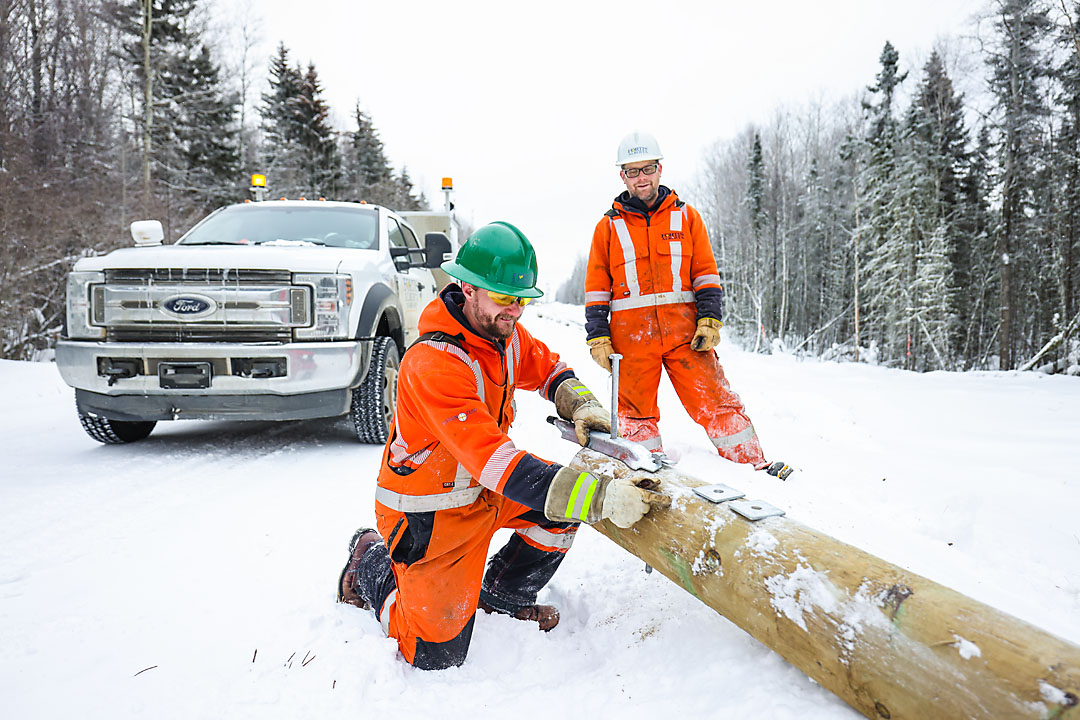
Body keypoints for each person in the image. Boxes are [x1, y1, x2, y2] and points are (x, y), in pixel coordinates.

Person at [337, 221, 666, 670]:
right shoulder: (433, 363)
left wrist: (580, 403)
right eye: (504, 297)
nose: (515, 311)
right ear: (467, 288)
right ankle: (370, 565)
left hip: (481, 490)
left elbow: (547, 368)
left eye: (522, 300)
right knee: (434, 655)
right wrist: (602, 497)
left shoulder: (502, 332)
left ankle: (501, 596)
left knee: (560, 507)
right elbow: (494, 460)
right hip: (430, 517)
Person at [584, 131, 790, 478]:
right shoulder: (608, 228)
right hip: (632, 342)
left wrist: (709, 319)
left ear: (660, 169)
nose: (641, 178)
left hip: (685, 335)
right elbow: (596, 289)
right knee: (634, 416)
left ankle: (753, 466)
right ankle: (647, 480)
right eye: (632, 171)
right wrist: (598, 337)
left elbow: (706, 274)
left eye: (647, 169)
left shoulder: (686, 218)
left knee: (716, 401)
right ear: (623, 176)